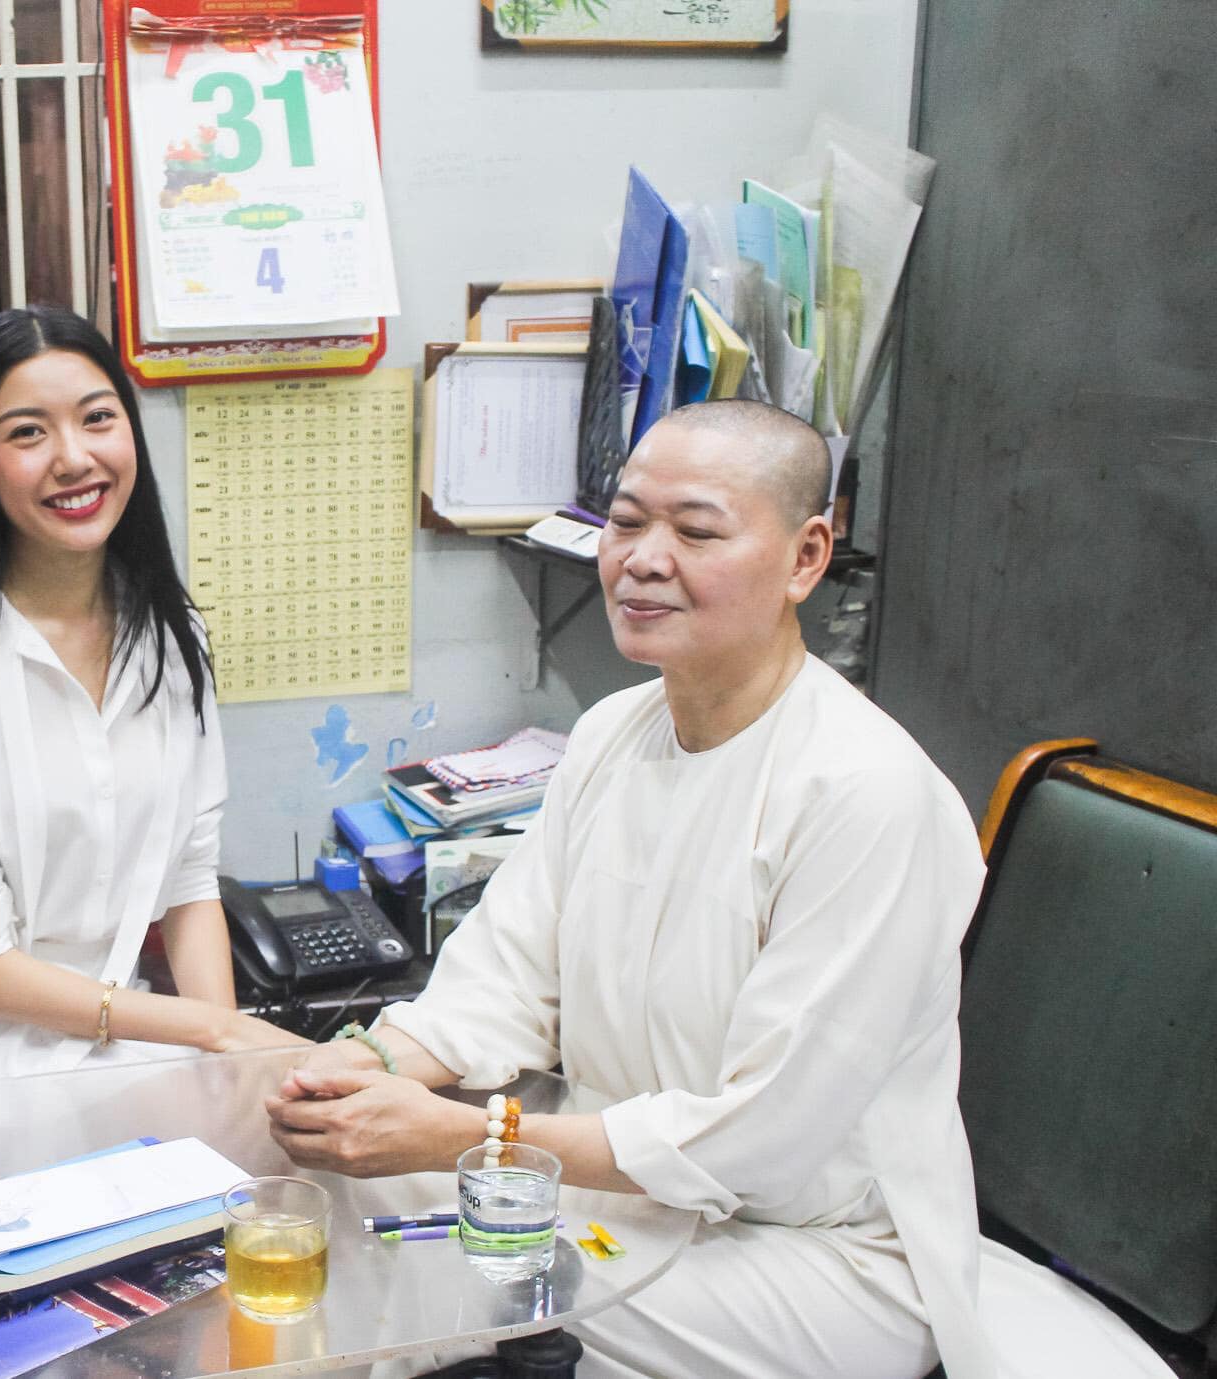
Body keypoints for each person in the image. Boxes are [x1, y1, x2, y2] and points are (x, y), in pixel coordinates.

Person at [266, 400, 993, 1379]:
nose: (644, 559)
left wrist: (473, 1135)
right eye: (624, 521)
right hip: (614, 1194)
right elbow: (504, 978)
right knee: (319, 1192)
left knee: (450, 1277)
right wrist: (360, 1067)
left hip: (814, 1257)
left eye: (695, 531)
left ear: (806, 556)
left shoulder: (865, 792)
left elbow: (762, 1139)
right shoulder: (612, 732)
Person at [0, 306, 301, 1087]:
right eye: (28, 432)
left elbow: (189, 883)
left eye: (98, 418)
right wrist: (214, 1030)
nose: (74, 458)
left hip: (118, 1039)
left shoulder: (173, 637)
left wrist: (234, 1068)